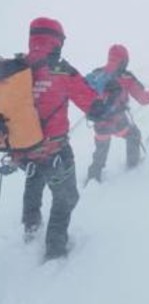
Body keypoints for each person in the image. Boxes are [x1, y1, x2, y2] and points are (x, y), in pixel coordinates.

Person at [10, 17, 108, 261]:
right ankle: (55, 249)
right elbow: (92, 104)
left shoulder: (17, 67)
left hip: (23, 151)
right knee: (66, 197)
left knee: (35, 177)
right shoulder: (61, 70)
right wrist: (101, 107)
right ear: (57, 40)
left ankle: (31, 227)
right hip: (55, 150)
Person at [86, 44, 149, 184]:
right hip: (118, 121)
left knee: (101, 148)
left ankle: (93, 177)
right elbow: (144, 99)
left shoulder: (96, 73)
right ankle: (132, 167)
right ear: (125, 60)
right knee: (134, 135)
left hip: (99, 122)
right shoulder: (126, 77)